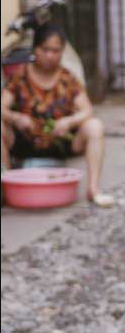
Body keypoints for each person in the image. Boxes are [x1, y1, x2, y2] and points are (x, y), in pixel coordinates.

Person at [1, 24, 114, 207]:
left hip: (60, 141)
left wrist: (69, 122)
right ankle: (6, 192)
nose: (50, 56)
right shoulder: (20, 76)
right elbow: (2, 107)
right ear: (35, 49)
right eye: (45, 50)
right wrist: (16, 118)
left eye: (56, 51)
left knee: (95, 125)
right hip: (25, 140)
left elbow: (87, 110)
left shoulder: (68, 78)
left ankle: (93, 189)